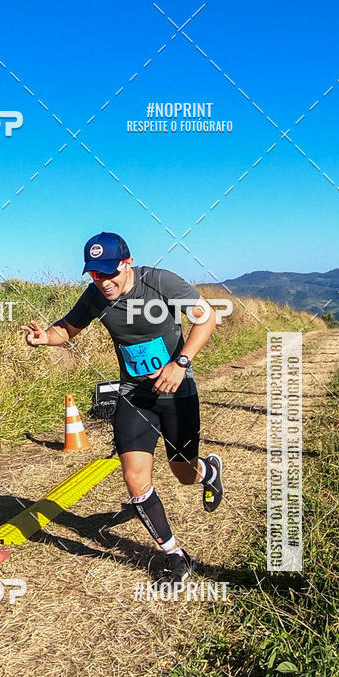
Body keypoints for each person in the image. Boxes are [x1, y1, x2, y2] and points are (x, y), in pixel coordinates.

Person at [22, 231, 224, 582]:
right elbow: (66, 330)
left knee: (183, 473)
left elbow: (206, 318)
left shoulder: (161, 283)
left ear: (126, 264)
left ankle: (208, 472)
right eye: (94, 275)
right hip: (133, 394)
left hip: (177, 391)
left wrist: (181, 364)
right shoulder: (95, 297)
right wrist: (46, 338)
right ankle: (176, 556)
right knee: (134, 478)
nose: (102, 282)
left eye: (108, 273)